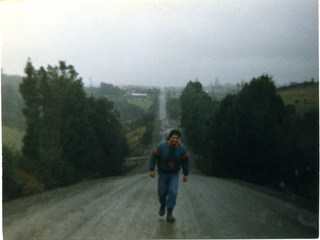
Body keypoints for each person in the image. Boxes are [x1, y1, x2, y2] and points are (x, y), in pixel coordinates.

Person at [149, 129, 189, 222]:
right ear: (170, 138)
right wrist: (151, 169)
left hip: (173, 174)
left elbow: (185, 162)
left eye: (177, 138)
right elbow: (154, 156)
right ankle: (163, 205)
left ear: (178, 139)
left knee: (173, 192)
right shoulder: (162, 146)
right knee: (162, 193)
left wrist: (186, 174)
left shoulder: (182, 149)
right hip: (162, 174)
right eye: (173, 137)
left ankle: (170, 213)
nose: (175, 140)